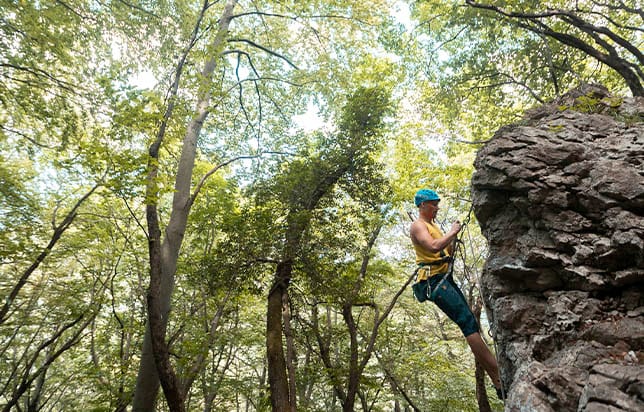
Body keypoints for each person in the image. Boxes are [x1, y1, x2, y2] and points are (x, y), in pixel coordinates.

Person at [410, 188, 505, 400]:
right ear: (423, 205)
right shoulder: (418, 225)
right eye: (434, 204)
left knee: (470, 321)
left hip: (443, 278)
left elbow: (446, 251)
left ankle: (496, 378)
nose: (437, 207)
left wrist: (452, 238)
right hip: (433, 281)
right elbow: (433, 247)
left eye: (437, 204)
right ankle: (498, 376)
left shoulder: (433, 225)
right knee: (466, 322)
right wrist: (452, 232)